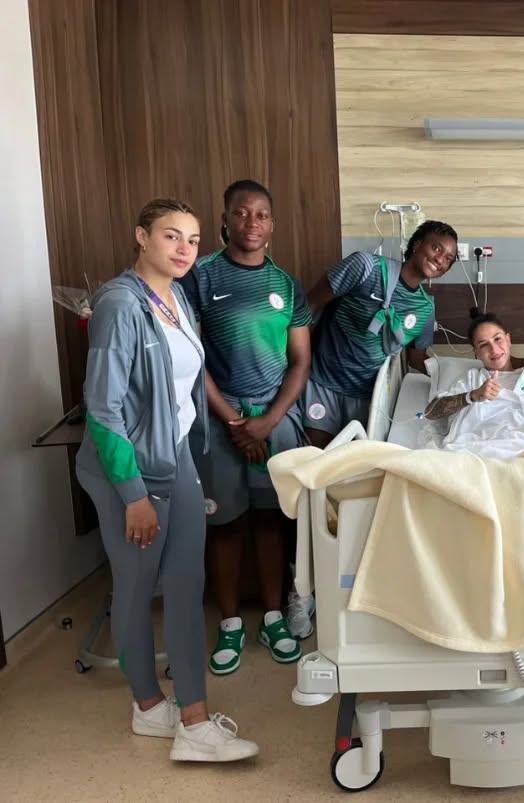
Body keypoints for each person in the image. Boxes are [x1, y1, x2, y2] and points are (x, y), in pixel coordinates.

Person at [76, 198, 258, 761]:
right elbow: (103, 409)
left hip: (173, 456)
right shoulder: (119, 305)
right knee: (136, 586)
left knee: (185, 580)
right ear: (141, 237)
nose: (184, 249)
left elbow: (181, 386)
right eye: (171, 236)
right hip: (127, 468)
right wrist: (133, 495)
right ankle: (150, 705)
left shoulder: (176, 297)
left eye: (194, 240)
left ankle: (193, 719)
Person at [179, 180, 312, 675]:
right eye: (241, 213)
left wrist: (268, 422)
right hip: (219, 419)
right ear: (225, 220)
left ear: (272, 225)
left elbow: (300, 361)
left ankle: (273, 616)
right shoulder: (199, 277)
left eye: (261, 214)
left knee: (272, 520)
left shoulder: (287, 286)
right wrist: (235, 423)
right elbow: (191, 357)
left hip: (274, 417)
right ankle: (231, 622)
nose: (251, 222)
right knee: (225, 523)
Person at [303, 221, 459, 447]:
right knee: (316, 457)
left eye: (449, 258)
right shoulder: (366, 268)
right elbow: (309, 307)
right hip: (322, 382)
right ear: (416, 244)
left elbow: (416, 360)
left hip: (366, 396)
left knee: (351, 464)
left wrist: (457, 381)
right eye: (436, 248)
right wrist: (297, 364)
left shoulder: (425, 309)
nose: (440, 259)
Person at [421, 309, 524, 459]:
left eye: (498, 339)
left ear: (508, 340)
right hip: (477, 450)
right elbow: (431, 412)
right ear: (476, 352)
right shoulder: (473, 378)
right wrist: (473, 396)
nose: (494, 349)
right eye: (484, 345)